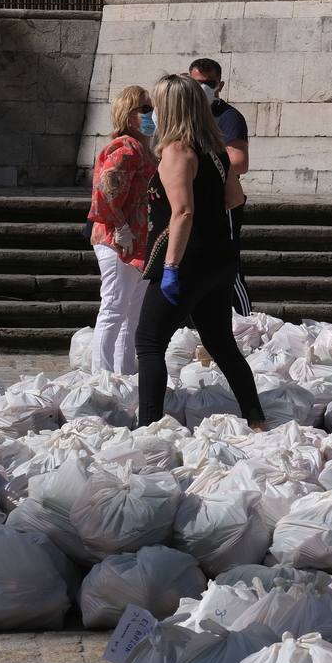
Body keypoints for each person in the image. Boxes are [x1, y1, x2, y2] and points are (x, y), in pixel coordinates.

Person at [135, 74, 265, 430]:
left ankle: (148, 426)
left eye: (156, 105)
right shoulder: (214, 152)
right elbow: (235, 199)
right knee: (221, 344)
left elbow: (183, 211)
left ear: (170, 108)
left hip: (186, 260)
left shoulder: (177, 151)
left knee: (148, 342)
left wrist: (172, 267)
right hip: (217, 260)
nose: (152, 113)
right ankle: (256, 419)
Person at [86, 85, 158, 375]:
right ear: (128, 116)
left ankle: (124, 374)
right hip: (119, 240)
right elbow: (106, 189)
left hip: (137, 241)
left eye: (150, 107)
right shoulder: (126, 147)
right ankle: (102, 376)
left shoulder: (142, 149)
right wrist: (120, 226)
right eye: (144, 108)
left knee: (132, 313)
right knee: (115, 308)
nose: (151, 113)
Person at [189, 58, 252, 314]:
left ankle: (244, 317)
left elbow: (239, 161)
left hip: (220, 199)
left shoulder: (228, 118)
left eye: (209, 83)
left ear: (220, 85)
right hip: (191, 198)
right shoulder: (185, 116)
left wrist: (201, 166)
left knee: (227, 262)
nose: (203, 88)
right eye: (197, 83)